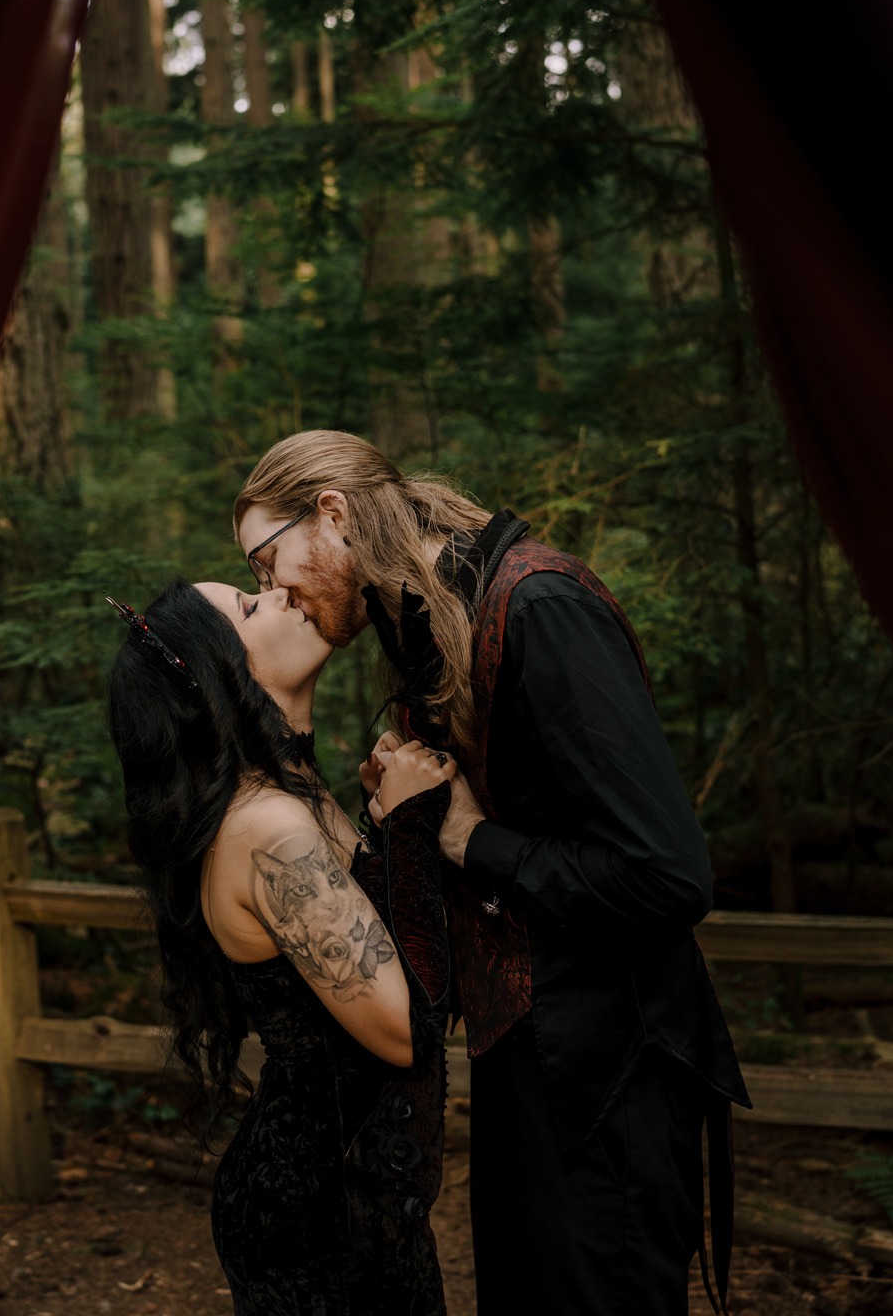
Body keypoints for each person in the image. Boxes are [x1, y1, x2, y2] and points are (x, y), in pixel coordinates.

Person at [234, 430, 751, 1316]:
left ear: (330, 513)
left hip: (612, 1070)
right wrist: (409, 815)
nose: (270, 590)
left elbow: (669, 877)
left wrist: (471, 841)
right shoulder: (426, 626)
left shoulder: (541, 606)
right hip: (523, 1061)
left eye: (265, 559)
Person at [106, 578, 455, 1316]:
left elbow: (383, 955)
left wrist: (386, 824)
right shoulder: (268, 827)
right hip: (318, 1218)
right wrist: (411, 830)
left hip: (359, 1199)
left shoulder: (294, 793)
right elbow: (406, 1033)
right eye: (251, 605)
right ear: (220, 673)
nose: (285, 594)